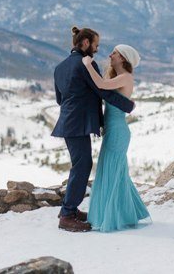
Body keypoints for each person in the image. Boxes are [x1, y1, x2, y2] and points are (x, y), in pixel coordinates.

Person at [52, 27, 136, 232]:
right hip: (78, 124)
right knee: (82, 166)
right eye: (96, 45)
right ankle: (67, 214)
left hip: (69, 122)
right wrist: (128, 105)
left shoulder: (60, 67)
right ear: (86, 43)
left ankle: (69, 210)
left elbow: (59, 99)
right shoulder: (85, 64)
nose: (98, 50)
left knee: (81, 164)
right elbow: (101, 90)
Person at [82, 44, 151, 232]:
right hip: (113, 130)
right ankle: (123, 214)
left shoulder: (126, 77)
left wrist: (88, 64)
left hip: (118, 131)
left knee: (111, 171)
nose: (110, 55)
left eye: (115, 53)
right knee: (114, 173)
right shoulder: (117, 77)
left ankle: (112, 216)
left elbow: (101, 85)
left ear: (123, 58)